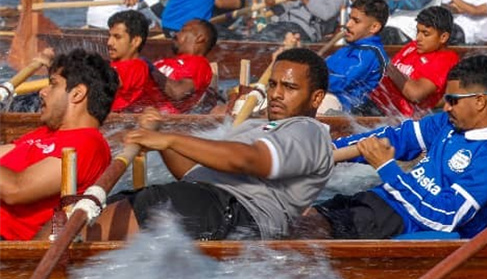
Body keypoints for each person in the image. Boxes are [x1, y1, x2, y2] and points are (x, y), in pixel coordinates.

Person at [87, 48, 334, 241]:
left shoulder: (308, 131)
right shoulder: (262, 127)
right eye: (273, 84)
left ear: (316, 97)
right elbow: (189, 172)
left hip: (237, 212)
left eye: (289, 87)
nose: (276, 94)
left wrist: (171, 139)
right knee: (97, 211)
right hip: (208, 201)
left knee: (102, 223)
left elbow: (248, 160)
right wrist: (163, 139)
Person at [304, 55, 487, 240]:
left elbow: (445, 217)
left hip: (414, 226)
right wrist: (329, 148)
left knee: (307, 230)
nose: (446, 107)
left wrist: (387, 168)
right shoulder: (448, 122)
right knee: (303, 218)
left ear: (480, 101)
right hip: (385, 202)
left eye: (453, 100)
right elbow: (397, 137)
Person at [1, 50, 118, 240]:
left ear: (78, 94)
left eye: (53, 84)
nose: (42, 92)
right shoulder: (46, 133)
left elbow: (15, 190)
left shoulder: (89, 144)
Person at [368, 6, 460, 117]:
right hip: (373, 100)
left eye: (426, 34)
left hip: (392, 114)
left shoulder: (445, 59)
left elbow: (415, 93)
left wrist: (385, 63)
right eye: (418, 31)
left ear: (443, 37)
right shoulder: (413, 47)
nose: (418, 38)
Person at [319, 0, 390, 114]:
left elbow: (342, 81)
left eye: (356, 21)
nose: (348, 24)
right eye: (349, 19)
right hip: (330, 97)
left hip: (349, 109)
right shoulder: (349, 48)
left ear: (374, 27)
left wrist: (309, 78)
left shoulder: (369, 54)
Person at [148, 18, 217, 114]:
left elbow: (178, 91)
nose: (175, 34)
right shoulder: (167, 61)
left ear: (200, 38)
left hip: (160, 118)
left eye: (183, 30)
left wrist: (150, 70)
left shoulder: (199, 63)